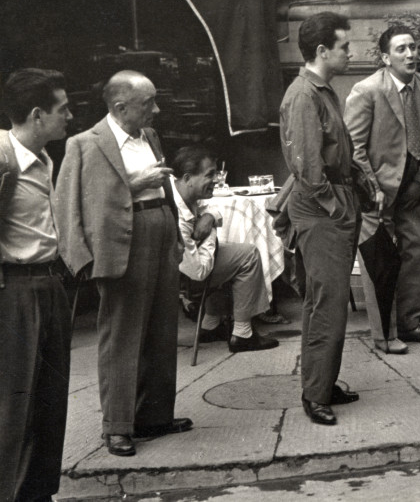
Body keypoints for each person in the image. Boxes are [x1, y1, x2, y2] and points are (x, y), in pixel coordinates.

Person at [55, 70, 191, 456]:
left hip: (159, 231)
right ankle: (117, 426)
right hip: (120, 241)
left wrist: (177, 236)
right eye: (148, 103)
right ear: (120, 106)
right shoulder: (84, 144)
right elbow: (67, 205)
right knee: (122, 335)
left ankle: (154, 416)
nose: (157, 110)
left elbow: (164, 188)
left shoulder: (149, 136)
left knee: (162, 329)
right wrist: (80, 260)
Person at [279, 12, 362, 426]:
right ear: (321, 51)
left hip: (332, 205)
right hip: (322, 210)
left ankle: (323, 382)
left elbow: (335, 151)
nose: (351, 53)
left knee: (329, 302)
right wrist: (338, 207)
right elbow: (310, 170)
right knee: (326, 303)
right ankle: (315, 394)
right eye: (345, 47)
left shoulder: (320, 91)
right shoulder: (304, 96)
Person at [344, 25, 420, 354]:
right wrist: (373, 189)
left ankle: (412, 323)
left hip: (412, 188)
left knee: (416, 251)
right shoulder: (367, 90)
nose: (410, 54)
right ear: (386, 58)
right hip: (377, 192)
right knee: (381, 263)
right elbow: (354, 148)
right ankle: (384, 335)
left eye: (413, 47)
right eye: (401, 49)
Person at [0, 69, 73, 501]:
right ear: (36, 114)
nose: (70, 116)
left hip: (48, 287)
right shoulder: (5, 160)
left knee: (49, 403)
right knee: (15, 407)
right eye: (62, 109)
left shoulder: (43, 160)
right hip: (16, 293)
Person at [170, 145, 278, 353]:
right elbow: (198, 272)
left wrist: (209, 218)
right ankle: (242, 333)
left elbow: (211, 209)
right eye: (210, 175)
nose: (216, 180)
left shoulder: (182, 193)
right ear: (187, 178)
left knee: (227, 253)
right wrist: (209, 232)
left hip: (186, 267)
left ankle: (211, 324)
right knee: (248, 255)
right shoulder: (178, 216)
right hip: (183, 281)